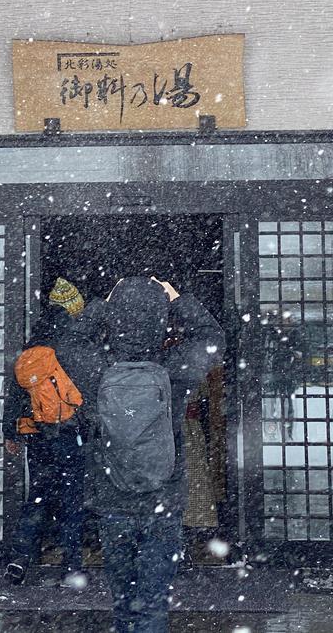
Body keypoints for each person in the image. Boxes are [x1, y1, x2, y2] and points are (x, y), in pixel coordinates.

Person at [79, 268, 224, 633]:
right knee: (154, 599)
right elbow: (212, 336)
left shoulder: (97, 370)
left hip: (113, 498)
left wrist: (103, 304)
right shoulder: (174, 370)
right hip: (164, 499)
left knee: (124, 599)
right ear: (160, 323)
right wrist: (177, 301)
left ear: (114, 322)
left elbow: (71, 341)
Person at [3, 277, 87, 585]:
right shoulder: (73, 343)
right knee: (71, 498)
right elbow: (82, 392)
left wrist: (10, 432)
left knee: (37, 495)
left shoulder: (32, 345)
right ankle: (71, 565)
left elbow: (14, 393)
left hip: (35, 433)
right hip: (67, 432)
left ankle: (19, 558)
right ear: (73, 309)